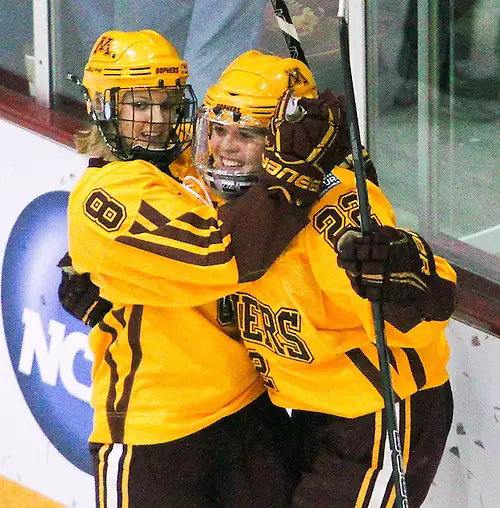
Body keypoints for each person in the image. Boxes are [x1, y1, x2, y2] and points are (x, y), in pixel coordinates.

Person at [61, 37, 455, 506]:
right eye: (137, 104)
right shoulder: (206, 188)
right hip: (164, 426)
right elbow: (222, 250)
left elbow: (415, 296)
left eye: (248, 134)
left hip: (355, 409)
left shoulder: (292, 197)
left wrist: (407, 273)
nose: (157, 119)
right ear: (100, 105)